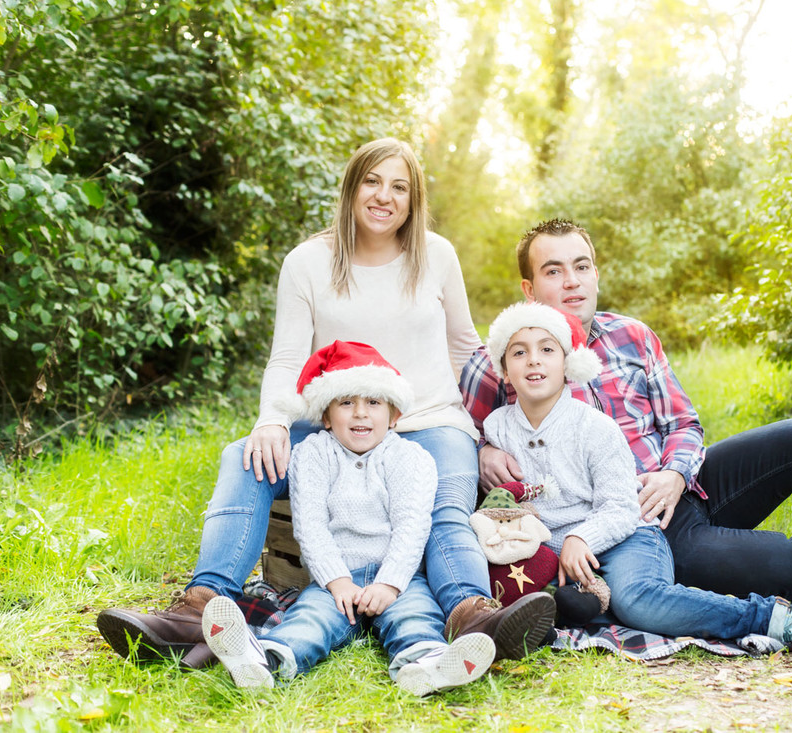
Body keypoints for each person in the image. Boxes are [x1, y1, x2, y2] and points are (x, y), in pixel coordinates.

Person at [97, 139, 554, 670]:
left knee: (445, 504)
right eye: (373, 181)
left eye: (399, 187)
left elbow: (464, 348)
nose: (385, 196)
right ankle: (198, 608)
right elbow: (287, 357)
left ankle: (472, 615)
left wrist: (485, 432)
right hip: (335, 425)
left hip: (429, 420)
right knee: (242, 456)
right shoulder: (308, 262)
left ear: (414, 199)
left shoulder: (437, 256)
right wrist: (271, 420)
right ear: (352, 187)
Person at [460, 218, 792, 602]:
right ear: (529, 289)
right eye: (554, 271)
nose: (572, 281)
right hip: (635, 524)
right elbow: (463, 433)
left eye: (582, 266)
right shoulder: (500, 362)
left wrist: (674, 471)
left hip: (687, 484)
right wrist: (483, 449)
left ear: (596, 274)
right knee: (782, 567)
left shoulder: (632, 337)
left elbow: (684, 423)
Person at [479, 301, 792, 654]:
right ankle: (560, 612)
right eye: (519, 353)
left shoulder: (594, 427)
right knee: (519, 589)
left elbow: (621, 508)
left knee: (637, 601)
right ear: (505, 371)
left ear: (568, 365)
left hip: (625, 535)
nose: (534, 360)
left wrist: (580, 537)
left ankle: (773, 618)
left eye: (546, 349)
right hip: (554, 557)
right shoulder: (498, 428)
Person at [201, 340, 494, 694]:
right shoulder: (312, 454)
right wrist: (336, 580)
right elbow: (310, 526)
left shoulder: (411, 458)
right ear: (326, 415)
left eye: (373, 402)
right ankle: (264, 661)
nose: (360, 413)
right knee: (311, 620)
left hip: (398, 578)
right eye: (346, 402)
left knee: (414, 616)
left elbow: (412, 527)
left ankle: (427, 665)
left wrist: (390, 583)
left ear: (394, 414)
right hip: (334, 580)